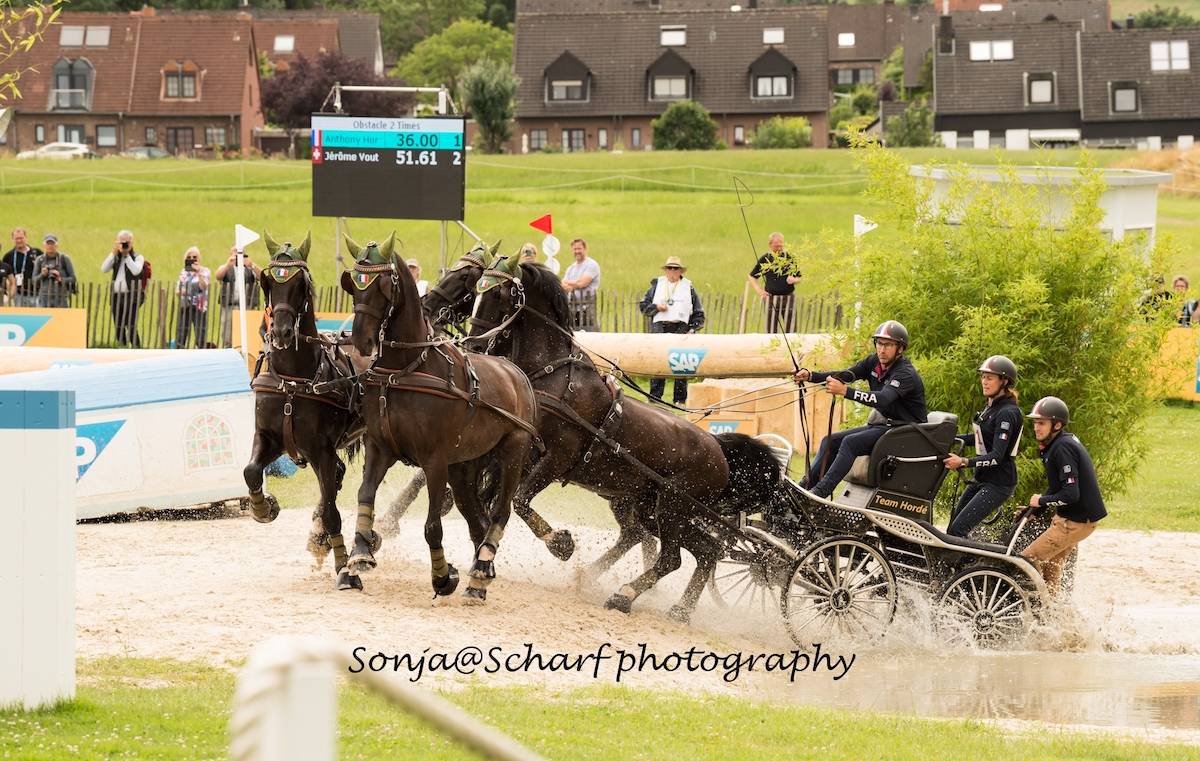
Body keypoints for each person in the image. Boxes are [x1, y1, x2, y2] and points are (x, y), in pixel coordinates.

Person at [792, 320, 927, 499]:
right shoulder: (873, 362)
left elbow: (883, 400)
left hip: (908, 432)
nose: (882, 349)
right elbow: (846, 374)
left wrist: (845, 392)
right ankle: (802, 489)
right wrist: (811, 376)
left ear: (900, 348)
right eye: (879, 343)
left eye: (888, 345)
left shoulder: (904, 373)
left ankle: (818, 494)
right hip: (889, 427)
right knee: (829, 441)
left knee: (850, 443)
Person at [1019, 396, 1106, 595]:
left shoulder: (1061, 448)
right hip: (1077, 519)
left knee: (1027, 561)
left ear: (1057, 424)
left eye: (1041, 423)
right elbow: (1059, 488)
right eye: (1035, 423)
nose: (1036, 428)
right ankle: (1053, 615)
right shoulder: (1059, 443)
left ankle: (1037, 609)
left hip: (1074, 523)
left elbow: (1070, 494)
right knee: (1050, 569)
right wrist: (1036, 509)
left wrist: (1041, 500)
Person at [942, 356, 1023, 537]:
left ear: (1004, 381)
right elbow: (979, 438)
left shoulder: (1007, 413)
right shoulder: (990, 408)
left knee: (958, 529)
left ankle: (974, 565)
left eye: (990, 378)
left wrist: (963, 461)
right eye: (983, 377)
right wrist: (945, 438)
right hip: (981, 479)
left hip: (998, 484)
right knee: (952, 529)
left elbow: (997, 456)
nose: (984, 382)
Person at [639, 255, 705, 405]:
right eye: (670, 268)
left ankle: (680, 400)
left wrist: (692, 330)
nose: (672, 271)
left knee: (681, 363)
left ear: (680, 271)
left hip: (680, 327)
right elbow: (643, 306)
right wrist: (656, 308)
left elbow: (699, 314)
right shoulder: (656, 286)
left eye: (676, 268)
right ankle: (654, 398)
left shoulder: (689, 287)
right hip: (659, 326)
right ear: (666, 270)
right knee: (658, 361)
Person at [100, 230, 146, 347]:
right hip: (116, 296)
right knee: (118, 326)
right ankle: (122, 347)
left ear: (132, 243)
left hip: (132, 297)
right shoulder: (115, 257)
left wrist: (126, 256)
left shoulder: (138, 257)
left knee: (131, 325)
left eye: (127, 242)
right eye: (122, 242)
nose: (125, 245)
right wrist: (113, 253)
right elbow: (104, 269)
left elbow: (136, 271)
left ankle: (137, 347)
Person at [748, 232, 799, 333]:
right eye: (776, 245)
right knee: (771, 329)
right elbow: (752, 276)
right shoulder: (765, 259)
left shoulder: (789, 258)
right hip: (771, 298)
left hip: (788, 297)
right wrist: (759, 290)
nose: (779, 247)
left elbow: (799, 277)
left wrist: (794, 280)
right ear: (770, 245)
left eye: (780, 244)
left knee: (792, 329)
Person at [214, 246, 262, 348]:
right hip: (229, 306)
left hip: (247, 306)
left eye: (240, 253)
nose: (237, 255)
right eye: (234, 252)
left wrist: (252, 265)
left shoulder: (249, 267)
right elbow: (218, 275)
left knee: (247, 334)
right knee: (227, 335)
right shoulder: (226, 267)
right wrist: (228, 265)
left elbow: (262, 276)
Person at [562, 237, 601, 330]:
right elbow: (562, 285)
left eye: (579, 248)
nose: (577, 251)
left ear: (585, 249)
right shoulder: (571, 268)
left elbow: (583, 283)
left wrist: (570, 284)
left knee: (590, 334)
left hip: (587, 309)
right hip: (573, 309)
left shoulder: (592, 265)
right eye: (575, 249)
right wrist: (573, 284)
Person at [175, 246, 210, 349]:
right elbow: (177, 290)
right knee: (182, 332)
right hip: (185, 305)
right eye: (189, 257)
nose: (192, 259)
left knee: (200, 333)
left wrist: (198, 272)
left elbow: (204, 286)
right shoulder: (184, 272)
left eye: (195, 257)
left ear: (199, 258)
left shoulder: (205, 271)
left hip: (199, 306)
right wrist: (183, 292)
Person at [2, 227, 44, 307]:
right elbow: (5, 275)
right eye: (16, 238)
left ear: (26, 237)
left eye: (21, 238)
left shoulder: (37, 253)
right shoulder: (8, 256)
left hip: (36, 293)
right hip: (18, 295)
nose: (19, 241)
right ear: (12, 239)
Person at [33, 234, 77, 308]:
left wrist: (60, 279)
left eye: (52, 244)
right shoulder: (39, 260)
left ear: (56, 245)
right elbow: (34, 280)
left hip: (61, 296)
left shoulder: (64, 259)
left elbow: (73, 278)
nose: (50, 246)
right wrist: (42, 274)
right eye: (48, 244)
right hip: (44, 296)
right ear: (44, 245)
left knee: (62, 319)